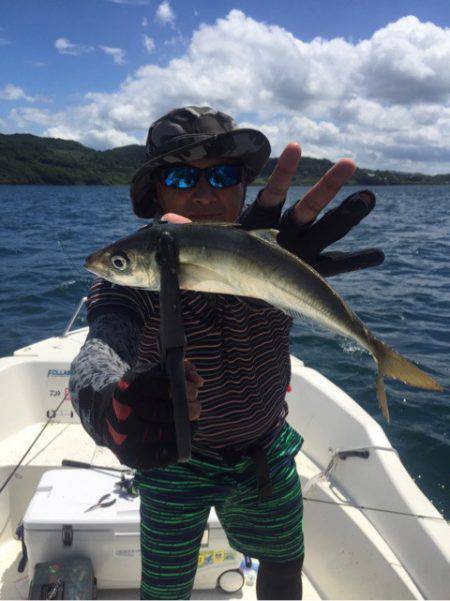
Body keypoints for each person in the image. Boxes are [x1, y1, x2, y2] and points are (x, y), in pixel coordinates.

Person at [69, 106, 384, 600]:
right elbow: (101, 348)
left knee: (283, 563)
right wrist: (107, 405)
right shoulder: (134, 276)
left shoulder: (278, 254)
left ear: (243, 187)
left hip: (266, 452)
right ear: (156, 191)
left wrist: (286, 274)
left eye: (222, 175)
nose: (204, 192)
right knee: (164, 588)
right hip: (172, 465)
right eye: (180, 176)